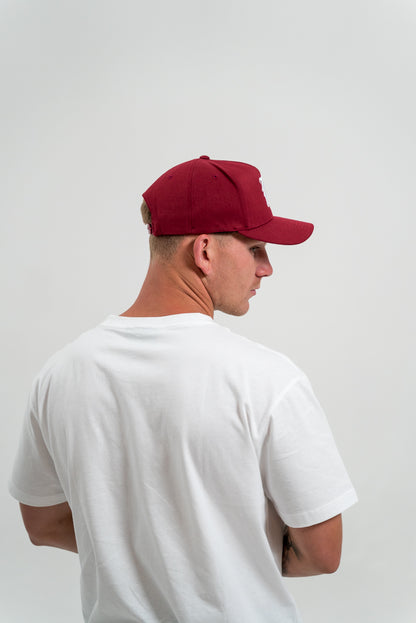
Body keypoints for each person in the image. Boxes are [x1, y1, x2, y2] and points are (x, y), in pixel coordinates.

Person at [9, 155, 357, 623]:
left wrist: (138, 551)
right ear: (205, 251)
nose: (267, 267)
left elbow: (42, 523)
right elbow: (322, 553)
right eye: (255, 248)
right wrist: (220, 557)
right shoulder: (268, 380)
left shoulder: (60, 373)